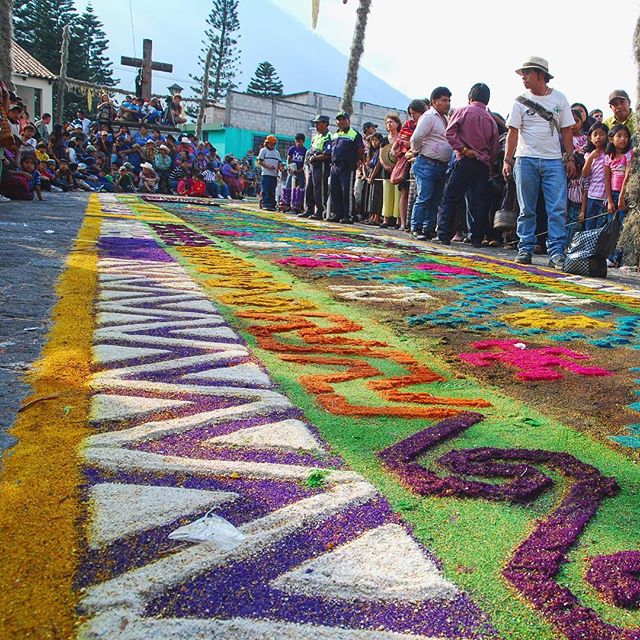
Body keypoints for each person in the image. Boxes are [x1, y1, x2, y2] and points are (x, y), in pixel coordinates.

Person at [502, 56, 576, 269]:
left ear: (541, 75)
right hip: (525, 159)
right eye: (522, 74)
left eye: (527, 73)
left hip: (553, 161)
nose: (523, 77)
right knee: (526, 208)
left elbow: (566, 131)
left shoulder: (560, 99)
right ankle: (525, 248)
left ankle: (556, 253)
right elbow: (512, 133)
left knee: (557, 209)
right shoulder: (519, 100)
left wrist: (569, 157)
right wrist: (508, 160)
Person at [436, 83, 499, 247]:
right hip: (482, 164)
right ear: (487, 100)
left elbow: (449, 133)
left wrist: (463, 149)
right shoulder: (490, 120)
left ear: (470, 97)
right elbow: (493, 148)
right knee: (479, 201)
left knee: (451, 197)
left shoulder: (463, 111)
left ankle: (443, 234)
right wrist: (489, 164)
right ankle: (477, 238)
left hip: (464, 160)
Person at [408, 87, 452, 240]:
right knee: (424, 196)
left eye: (449, 100)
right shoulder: (429, 116)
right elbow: (416, 137)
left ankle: (429, 228)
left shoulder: (445, 118)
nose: (447, 104)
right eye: (444, 100)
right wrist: (417, 150)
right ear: (434, 101)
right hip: (427, 162)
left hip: (441, 165)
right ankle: (416, 227)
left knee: (435, 199)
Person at [604, 124, 633, 266]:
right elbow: (607, 180)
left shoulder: (629, 155)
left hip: (623, 195)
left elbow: (627, 177)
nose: (623, 139)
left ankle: (616, 258)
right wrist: (610, 200)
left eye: (626, 136)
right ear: (611, 139)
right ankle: (610, 255)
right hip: (612, 195)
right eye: (619, 136)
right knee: (611, 227)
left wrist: (621, 197)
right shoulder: (608, 157)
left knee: (621, 227)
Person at [328, 112, 364, 223]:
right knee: (335, 191)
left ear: (348, 121)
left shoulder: (354, 134)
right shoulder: (335, 134)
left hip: (347, 166)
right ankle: (337, 214)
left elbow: (360, 150)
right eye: (339, 120)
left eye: (344, 119)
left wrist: (353, 161)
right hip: (335, 166)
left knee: (346, 192)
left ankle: (348, 215)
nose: (341, 122)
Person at [300, 115, 332, 219]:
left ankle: (320, 210)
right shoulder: (316, 137)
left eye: (318, 123)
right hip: (312, 165)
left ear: (325, 124)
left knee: (320, 188)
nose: (316, 125)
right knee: (309, 188)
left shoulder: (329, 137)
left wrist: (315, 157)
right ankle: (309, 209)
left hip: (321, 165)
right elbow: (311, 150)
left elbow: (327, 154)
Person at [581, 122, 609, 231]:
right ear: (590, 137)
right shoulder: (588, 155)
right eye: (595, 134)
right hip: (592, 196)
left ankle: (600, 248)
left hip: (605, 197)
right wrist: (591, 157)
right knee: (590, 226)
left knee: (601, 228)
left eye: (602, 134)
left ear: (607, 136)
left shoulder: (609, 154)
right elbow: (585, 174)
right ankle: (590, 248)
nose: (598, 137)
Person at [281, 133, 307, 213]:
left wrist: (301, 170)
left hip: (300, 173)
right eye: (297, 141)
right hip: (292, 172)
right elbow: (288, 159)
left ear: (303, 141)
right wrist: (289, 167)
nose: (298, 143)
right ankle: (286, 204)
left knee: (299, 189)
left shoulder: (305, 150)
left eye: (300, 141)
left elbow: (305, 162)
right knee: (288, 187)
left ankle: (297, 205)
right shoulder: (292, 149)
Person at [257, 135, 282, 211]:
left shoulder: (276, 152)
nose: (271, 145)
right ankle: (265, 203)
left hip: (274, 175)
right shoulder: (263, 150)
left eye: (273, 144)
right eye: (270, 144)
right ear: (267, 143)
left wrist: (280, 168)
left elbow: (279, 163)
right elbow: (260, 162)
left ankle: (271, 204)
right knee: (266, 189)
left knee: (272, 190)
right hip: (266, 174)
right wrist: (268, 166)